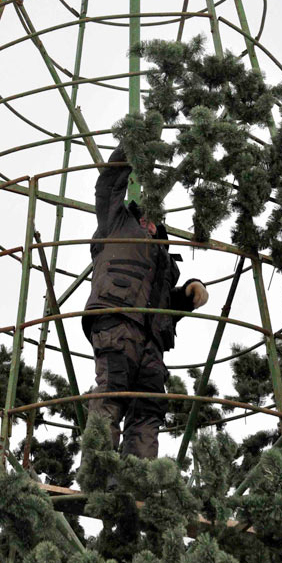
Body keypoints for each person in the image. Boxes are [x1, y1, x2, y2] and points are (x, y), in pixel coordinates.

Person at [82, 144, 209, 458]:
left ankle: (137, 479)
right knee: (112, 392)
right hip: (117, 321)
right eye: (147, 215)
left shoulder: (164, 259)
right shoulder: (116, 223)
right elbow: (108, 184)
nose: (151, 222)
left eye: (156, 219)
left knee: (149, 407)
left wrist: (187, 296)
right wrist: (132, 142)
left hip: (152, 340)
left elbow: (163, 307)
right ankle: (99, 469)